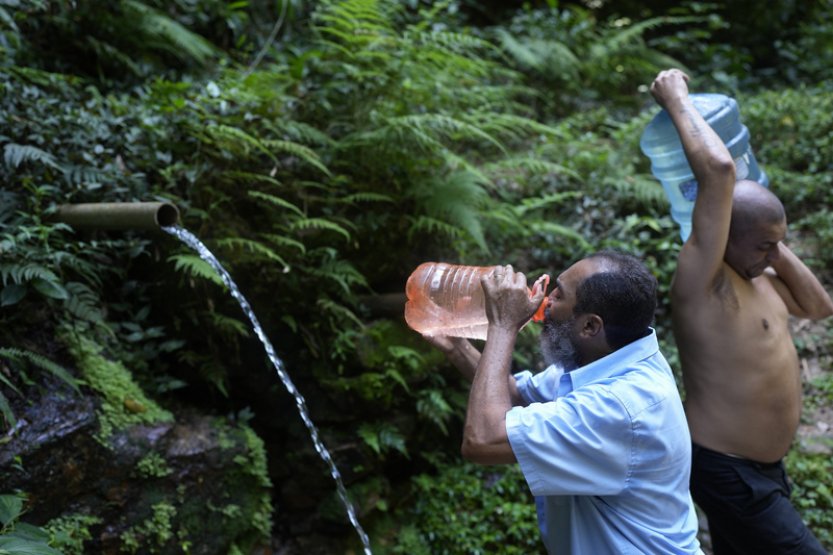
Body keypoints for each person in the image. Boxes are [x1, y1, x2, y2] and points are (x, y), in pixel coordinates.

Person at [649, 68, 833, 554]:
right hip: (726, 466)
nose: (771, 256)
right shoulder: (703, 282)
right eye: (763, 247)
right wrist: (676, 98)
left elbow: (819, 306)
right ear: (721, 235)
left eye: (779, 246)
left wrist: (772, 243)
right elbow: (720, 173)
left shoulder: (763, 278)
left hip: (764, 469)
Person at [424, 251, 702, 554]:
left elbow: (483, 439)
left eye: (559, 294)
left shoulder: (618, 407)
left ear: (590, 327)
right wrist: (457, 348)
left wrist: (503, 327)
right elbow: (516, 397)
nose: (546, 298)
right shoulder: (611, 358)